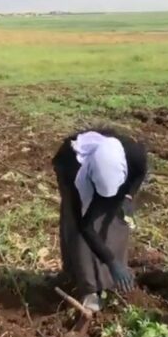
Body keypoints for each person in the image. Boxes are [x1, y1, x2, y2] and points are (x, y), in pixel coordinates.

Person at [52, 128, 148, 313]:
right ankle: (87, 287)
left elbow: (139, 173)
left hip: (116, 183)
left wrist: (128, 196)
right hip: (75, 173)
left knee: (117, 219)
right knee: (78, 230)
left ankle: (114, 279)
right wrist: (111, 262)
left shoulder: (134, 153)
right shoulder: (74, 172)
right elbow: (84, 226)